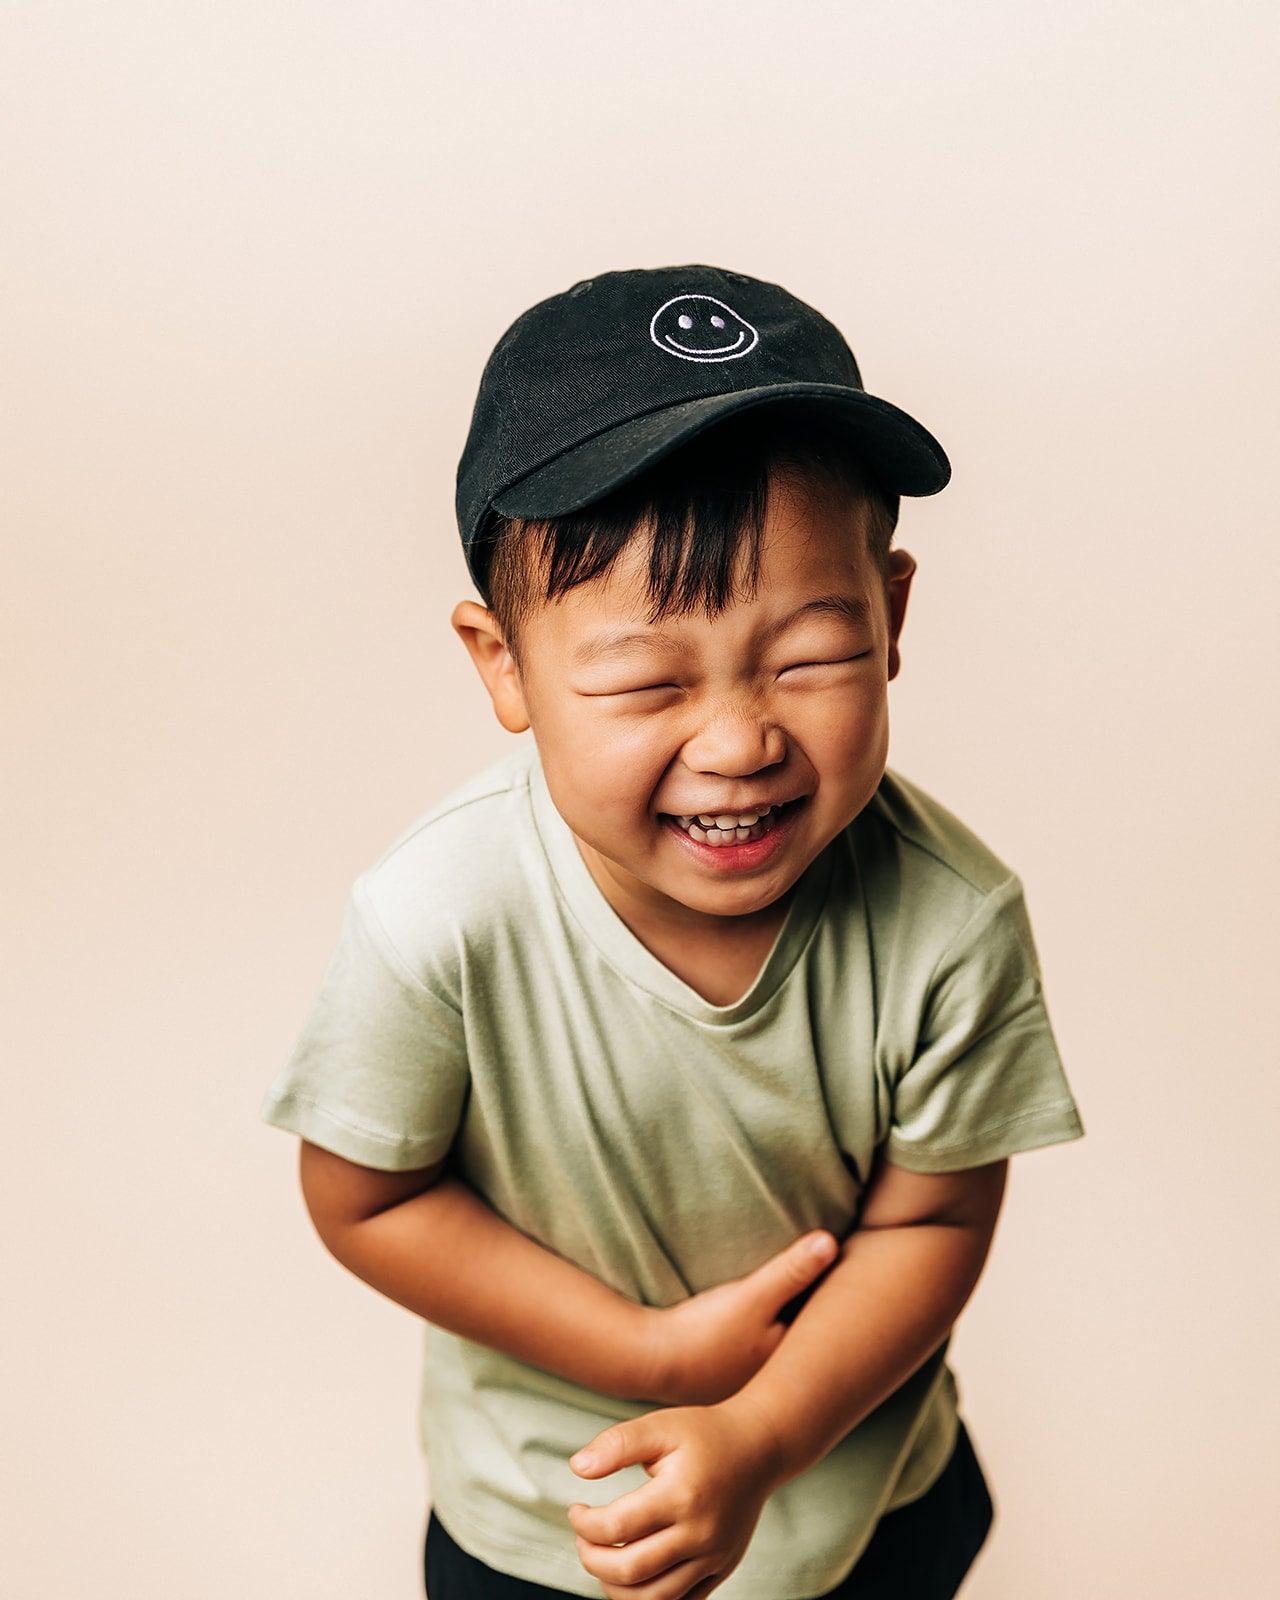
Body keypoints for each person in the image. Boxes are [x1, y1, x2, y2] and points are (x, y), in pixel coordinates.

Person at [258, 263, 1086, 1600]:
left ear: (891, 619)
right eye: (647, 681)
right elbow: (368, 1196)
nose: (740, 740)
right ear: (505, 666)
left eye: (808, 656)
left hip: (863, 1510)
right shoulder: (437, 919)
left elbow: (933, 1222)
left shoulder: (950, 917)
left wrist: (763, 1434)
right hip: (550, 1526)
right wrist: (645, 1356)